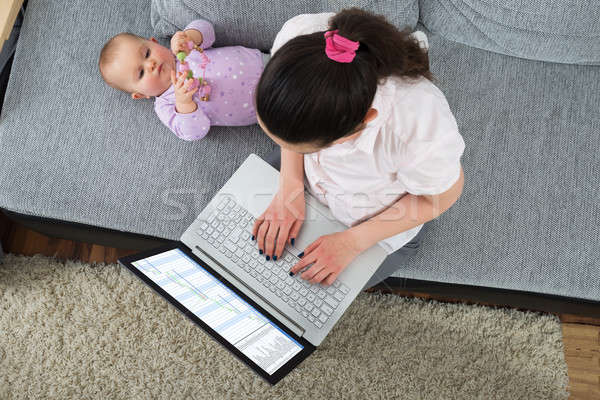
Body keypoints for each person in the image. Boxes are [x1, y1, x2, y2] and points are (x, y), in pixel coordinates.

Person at [251, 9, 466, 289]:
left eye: (302, 147)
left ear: (365, 121)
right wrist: (289, 185)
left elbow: (442, 196)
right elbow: (293, 124)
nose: (282, 146)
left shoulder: (418, 127)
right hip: (304, 175)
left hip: (373, 222)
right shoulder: (298, 37)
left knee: (298, 293)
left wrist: (353, 242)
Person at [98, 20, 268, 141]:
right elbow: (195, 133)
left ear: (154, 42)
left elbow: (207, 29)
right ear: (141, 94)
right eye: (141, 73)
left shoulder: (182, 50)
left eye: (147, 53)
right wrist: (185, 104)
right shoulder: (166, 106)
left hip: (266, 61)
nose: (150, 64)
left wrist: (189, 37)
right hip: (268, 106)